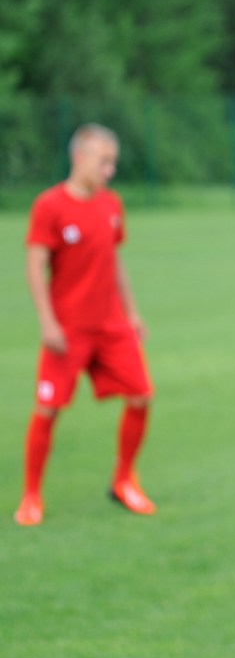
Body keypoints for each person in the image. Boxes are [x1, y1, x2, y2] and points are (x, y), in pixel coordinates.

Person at [15, 123, 156, 526]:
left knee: (141, 396)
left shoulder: (111, 204)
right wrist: (48, 322)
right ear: (79, 157)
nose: (110, 170)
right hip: (68, 329)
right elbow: (35, 266)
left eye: (113, 162)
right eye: (103, 161)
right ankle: (31, 496)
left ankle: (123, 480)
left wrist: (131, 313)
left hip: (111, 325)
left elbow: (114, 261)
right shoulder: (50, 206)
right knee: (48, 408)